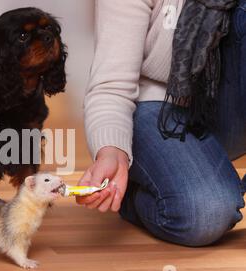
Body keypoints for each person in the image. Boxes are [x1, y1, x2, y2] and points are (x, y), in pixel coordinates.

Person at [77, 0, 246, 246]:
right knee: (207, 213)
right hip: (157, 103)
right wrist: (113, 151)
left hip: (226, 106)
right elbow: (111, 87)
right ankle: (140, 193)